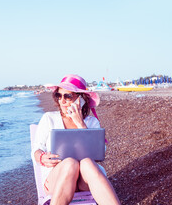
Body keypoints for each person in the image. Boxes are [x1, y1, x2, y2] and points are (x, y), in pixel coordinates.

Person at [32, 74, 120, 205]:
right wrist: (42, 157)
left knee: (87, 163)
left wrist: (81, 124)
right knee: (70, 163)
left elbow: (100, 153)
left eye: (67, 96)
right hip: (57, 178)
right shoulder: (49, 118)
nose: (62, 101)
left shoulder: (91, 122)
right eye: (59, 95)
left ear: (81, 100)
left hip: (84, 180)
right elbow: (37, 148)